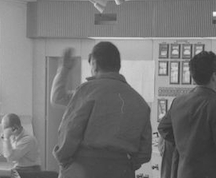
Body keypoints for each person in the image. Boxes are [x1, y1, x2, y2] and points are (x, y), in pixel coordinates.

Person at [52, 42, 152, 178]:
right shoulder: (139, 102)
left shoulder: (87, 91)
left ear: (94, 64)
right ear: (118, 65)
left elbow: (70, 129)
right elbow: (145, 152)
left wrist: (63, 160)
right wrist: (125, 165)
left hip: (84, 168)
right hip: (122, 170)